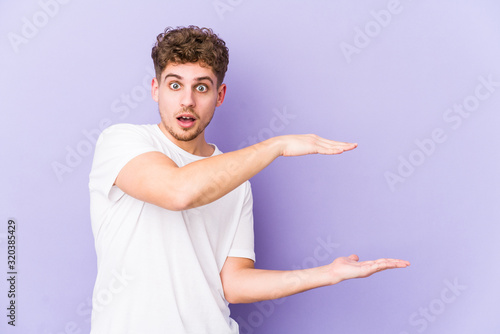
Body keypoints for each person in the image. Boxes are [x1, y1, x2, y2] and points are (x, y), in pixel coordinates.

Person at [88, 25, 410, 334]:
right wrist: (276, 145)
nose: (187, 100)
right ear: (156, 90)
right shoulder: (121, 142)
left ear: (220, 94)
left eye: (201, 87)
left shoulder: (237, 183)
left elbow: (233, 284)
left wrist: (326, 274)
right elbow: (178, 191)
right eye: (175, 85)